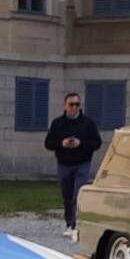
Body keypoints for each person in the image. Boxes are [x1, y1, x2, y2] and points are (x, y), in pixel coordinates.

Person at [44, 92, 102, 241]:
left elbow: (97, 143)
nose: (74, 107)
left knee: (79, 193)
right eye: (71, 104)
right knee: (67, 195)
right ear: (65, 106)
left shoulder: (88, 123)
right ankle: (69, 224)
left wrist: (80, 143)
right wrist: (61, 144)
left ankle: (77, 225)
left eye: (77, 104)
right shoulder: (57, 123)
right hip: (64, 164)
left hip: (82, 163)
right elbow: (48, 143)